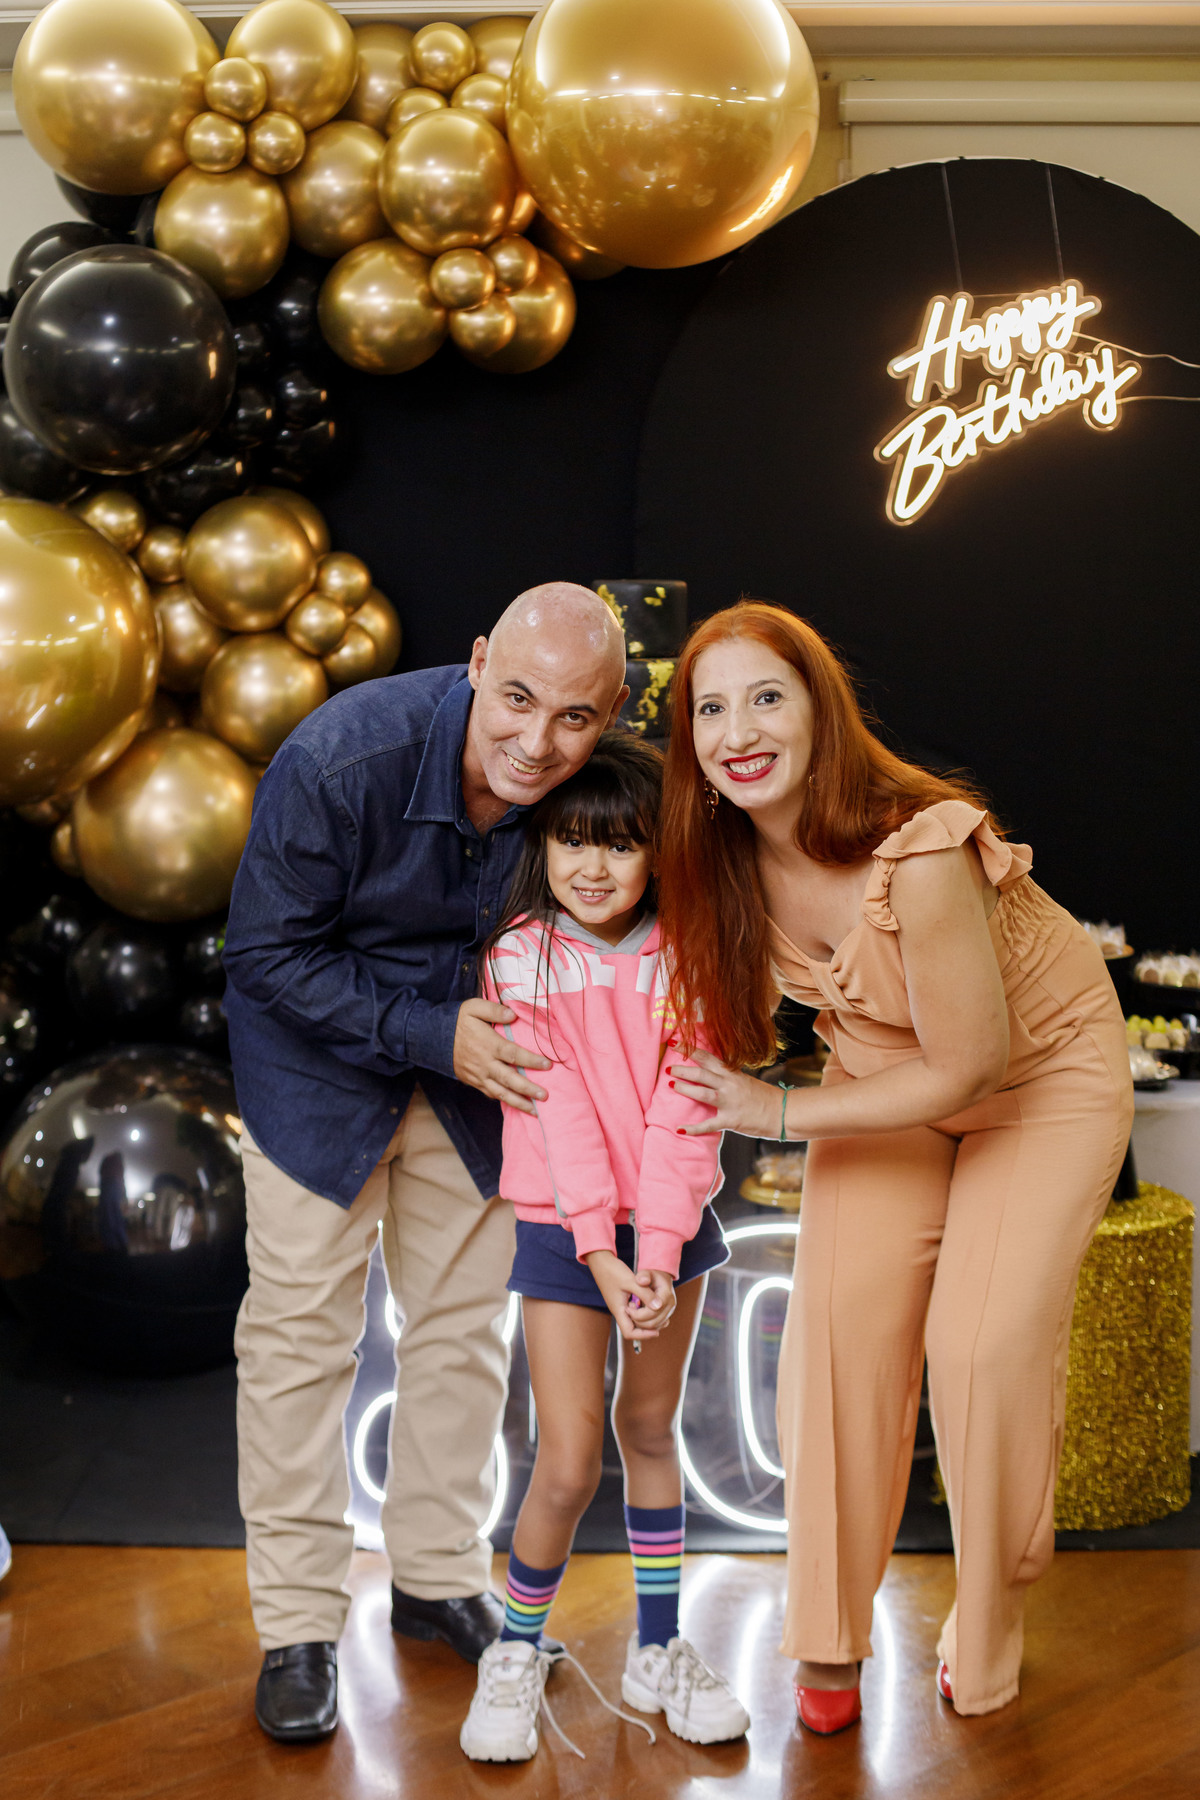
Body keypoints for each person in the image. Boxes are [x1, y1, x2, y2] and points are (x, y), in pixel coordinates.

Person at [656, 602, 1132, 1728]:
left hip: (1039, 1080)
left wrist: (778, 1110)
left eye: (766, 698)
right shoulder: (722, 862)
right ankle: (826, 1640)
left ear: (820, 711)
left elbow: (970, 1065)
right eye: (711, 710)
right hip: (884, 1082)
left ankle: (992, 1611)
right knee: (834, 1340)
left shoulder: (918, 849)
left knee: (980, 1347)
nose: (739, 731)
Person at [222, 583, 628, 1743]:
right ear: (478, 660)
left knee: (462, 1337)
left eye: (574, 718)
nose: (537, 743)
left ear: (609, 716)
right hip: (316, 1075)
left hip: (478, 1087)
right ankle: (297, 1625)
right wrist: (427, 1030)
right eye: (518, 699)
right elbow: (264, 958)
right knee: (299, 1348)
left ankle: (436, 1579)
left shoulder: (602, 787)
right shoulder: (341, 758)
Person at [458, 733, 750, 1764]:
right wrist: (602, 1252)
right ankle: (516, 1649)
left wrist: (659, 1255)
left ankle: (658, 1651)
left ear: (658, 854)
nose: (593, 866)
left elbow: (688, 1112)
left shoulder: (695, 957)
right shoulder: (519, 956)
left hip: (666, 1231)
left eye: (620, 845)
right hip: (564, 1230)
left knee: (650, 1431)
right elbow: (559, 1111)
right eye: (572, 841)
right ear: (542, 846)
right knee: (569, 1458)